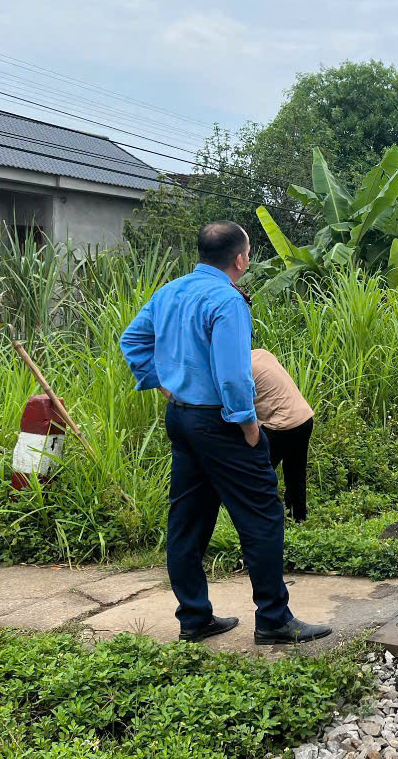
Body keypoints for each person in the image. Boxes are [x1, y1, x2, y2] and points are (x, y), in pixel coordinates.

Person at [119, 221, 331, 645]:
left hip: (181, 418)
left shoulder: (170, 292)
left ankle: (194, 618)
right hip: (222, 422)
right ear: (240, 259)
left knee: (187, 521)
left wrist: (161, 382)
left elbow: (133, 340)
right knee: (262, 518)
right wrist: (249, 424)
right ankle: (273, 620)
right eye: (248, 253)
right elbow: (235, 376)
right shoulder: (227, 301)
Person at [252, 348, 314, 523]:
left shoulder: (238, 371)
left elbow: (240, 409)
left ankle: (266, 520)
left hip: (281, 426)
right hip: (304, 418)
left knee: (258, 474)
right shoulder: (262, 353)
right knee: (296, 472)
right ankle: (298, 518)